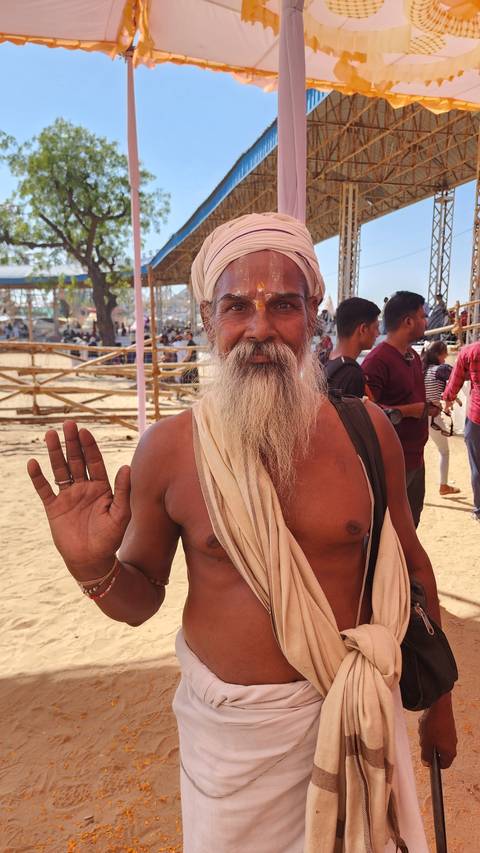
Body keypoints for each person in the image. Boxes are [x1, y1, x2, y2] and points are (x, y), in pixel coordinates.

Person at [27, 213, 456, 853]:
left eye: (283, 305)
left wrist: (440, 701)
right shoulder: (169, 450)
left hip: (360, 713)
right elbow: (141, 596)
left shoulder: (367, 431)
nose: (260, 329)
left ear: (313, 312)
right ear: (208, 319)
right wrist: (93, 569)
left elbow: (413, 568)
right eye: (236, 308)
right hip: (233, 750)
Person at [362, 291, 440, 528]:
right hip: (392, 464)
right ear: (408, 321)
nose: (427, 321)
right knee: (388, 532)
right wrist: (409, 411)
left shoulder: (414, 357)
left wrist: (426, 409)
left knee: (410, 525)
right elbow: (365, 411)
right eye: (423, 316)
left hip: (416, 460)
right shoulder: (377, 361)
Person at [443, 339, 480, 522]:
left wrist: (448, 398)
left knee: (477, 466)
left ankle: (479, 509)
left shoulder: (470, 351)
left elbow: (455, 379)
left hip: (476, 417)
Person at [422, 341, 460, 497]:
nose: (446, 358)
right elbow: (458, 374)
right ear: (439, 354)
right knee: (444, 451)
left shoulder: (421, 370)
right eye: (445, 354)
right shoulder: (440, 369)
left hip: (417, 417)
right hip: (433, 418)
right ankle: (443, 486)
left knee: (416, 453)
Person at [326, 297, 380, 397]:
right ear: (363, 329)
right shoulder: (352, 375)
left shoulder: (322, 360)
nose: (378, 334)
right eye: (376, 328)